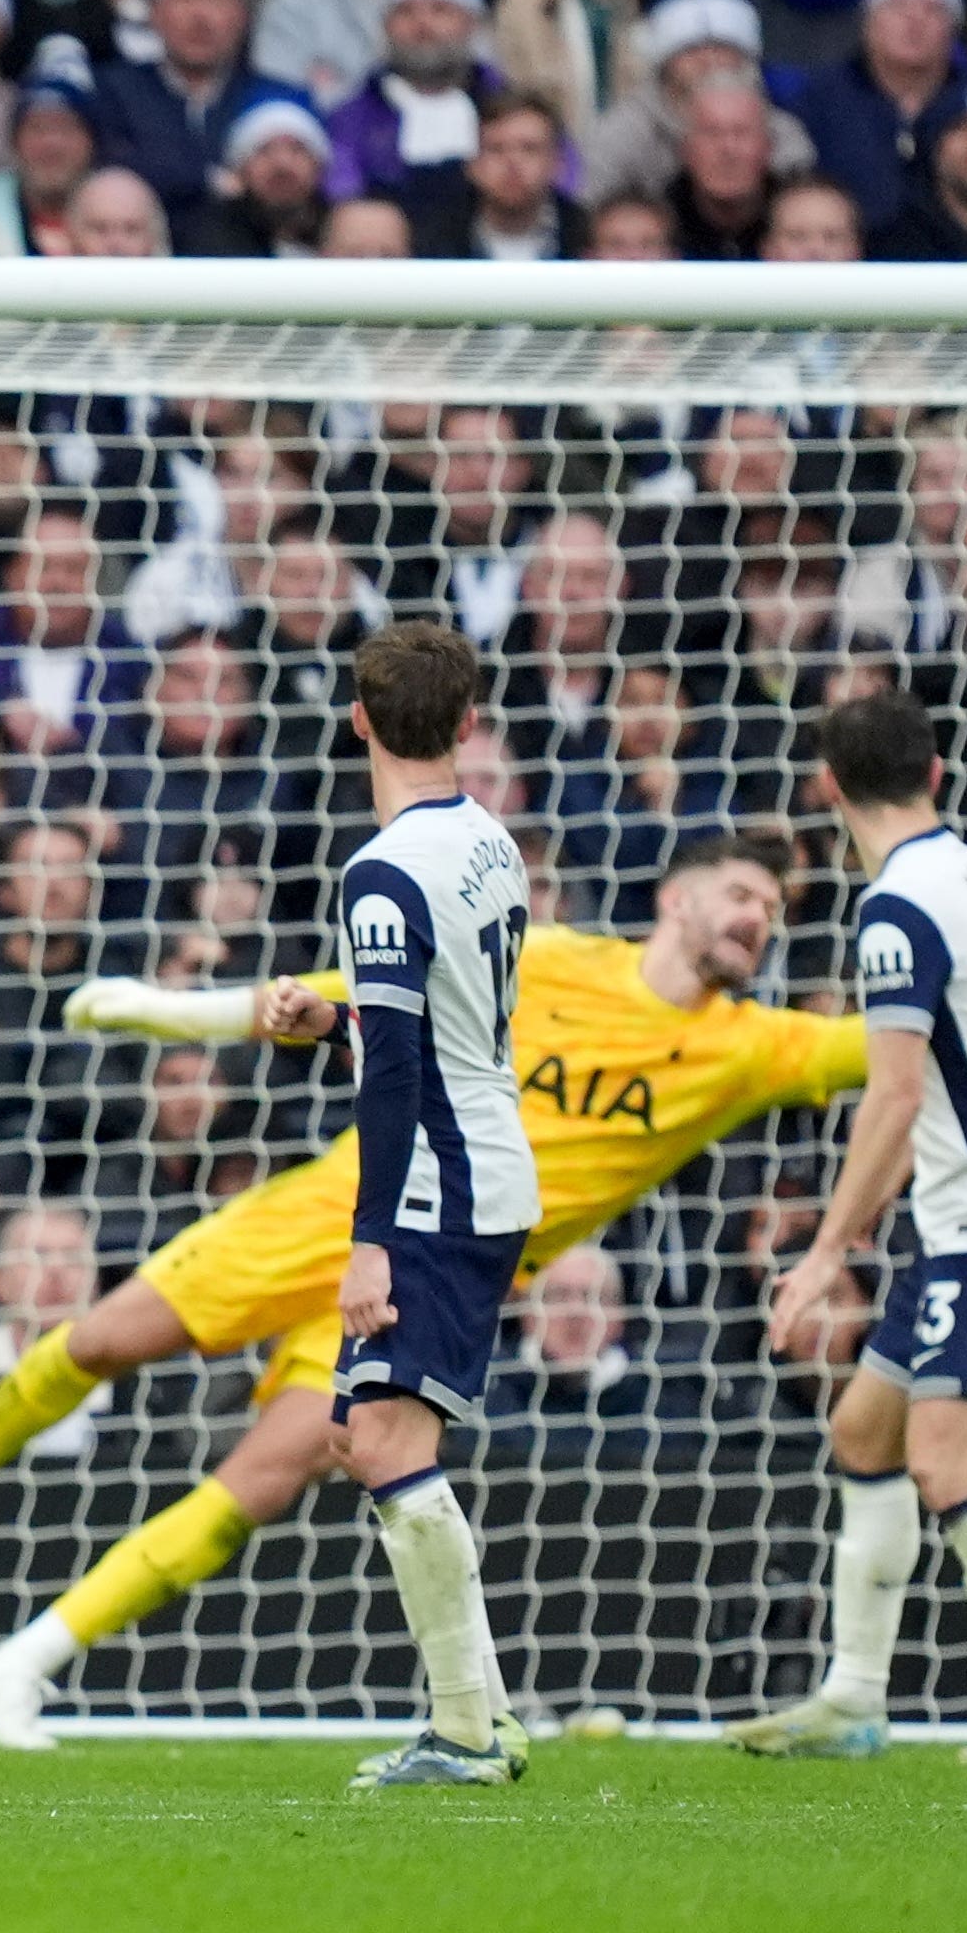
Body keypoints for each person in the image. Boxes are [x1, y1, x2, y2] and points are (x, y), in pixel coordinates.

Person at [0, 831, 967, 1740]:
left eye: (778, 911)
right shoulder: (548, 960)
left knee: (267, 1476)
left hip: (434, 1269)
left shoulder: (750, 1050)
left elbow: (895, 1042)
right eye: (741, 894)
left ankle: (27, 1659)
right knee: (95, 1342)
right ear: (679, 897)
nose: (759, 918)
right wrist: (158, 1008)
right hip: (329, 1208)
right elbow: (335, 995)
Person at [736, 692, 967, 1768]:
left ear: (829, 789)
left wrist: (820, 1254)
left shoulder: (896, 909)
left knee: (946, 1467)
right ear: (937, 772)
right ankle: (854, 1698)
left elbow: (892, 1096)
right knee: (865, 1432)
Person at [321, 621, 542, 1788]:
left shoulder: (380, 872)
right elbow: (450, 1007)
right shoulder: (489, 843)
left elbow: (404, 1066)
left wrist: (370, 1244)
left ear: (357, 720)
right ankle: (482, 1716)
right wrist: (338, 1015)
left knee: (386, 1439)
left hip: (434, 1183)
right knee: (364, 1434)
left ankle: (465, 1729)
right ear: (468, 722)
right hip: (487, 1157)